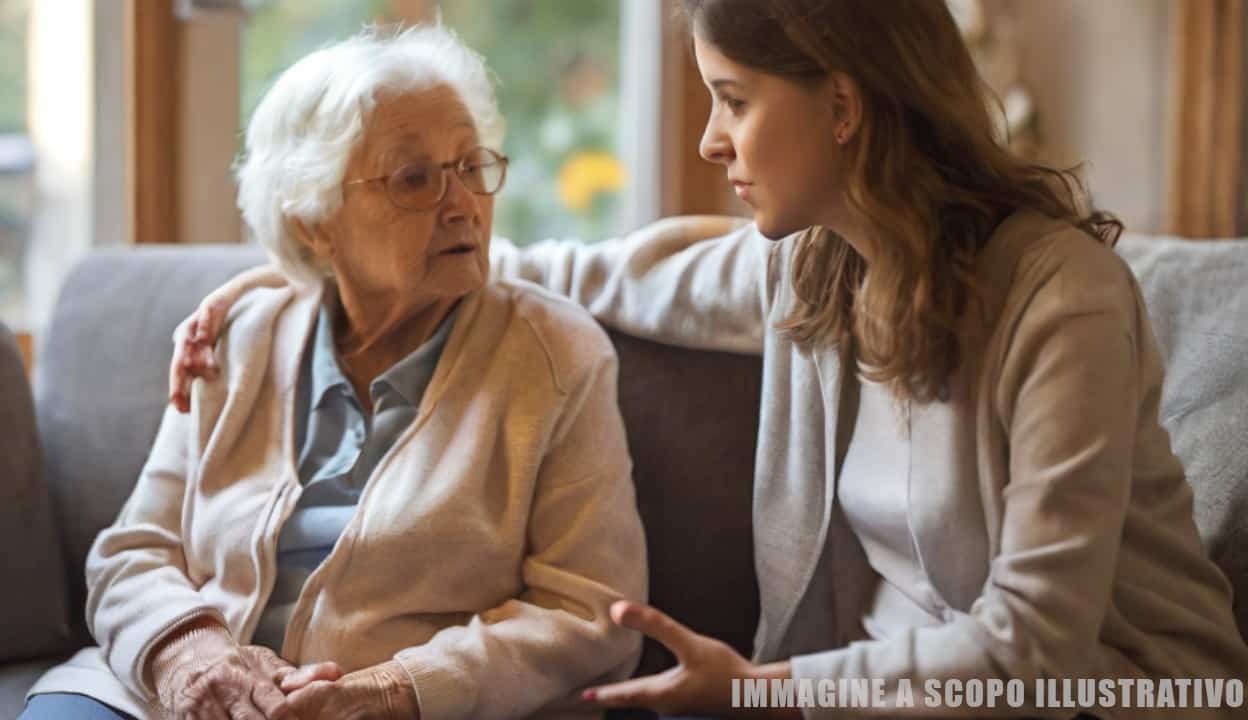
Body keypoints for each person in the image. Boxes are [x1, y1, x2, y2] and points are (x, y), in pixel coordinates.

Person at [170, 2, 1248, 718]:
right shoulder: (808, 273)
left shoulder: (1060, 299)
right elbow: (552, 267)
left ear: (840, 104)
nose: (707, 141)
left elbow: (1035, 651)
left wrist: (763, 690)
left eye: (732, 99)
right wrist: (292, 275)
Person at [23, 25, 647, 720]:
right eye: (415, 178)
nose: (464, 202)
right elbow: (133, 553)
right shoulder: (235, 340)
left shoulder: (557, 355)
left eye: (472, 166)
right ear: (315, 222)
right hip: (193, 698)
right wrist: (190, 653)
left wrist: (397, 690)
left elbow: (591, 610)